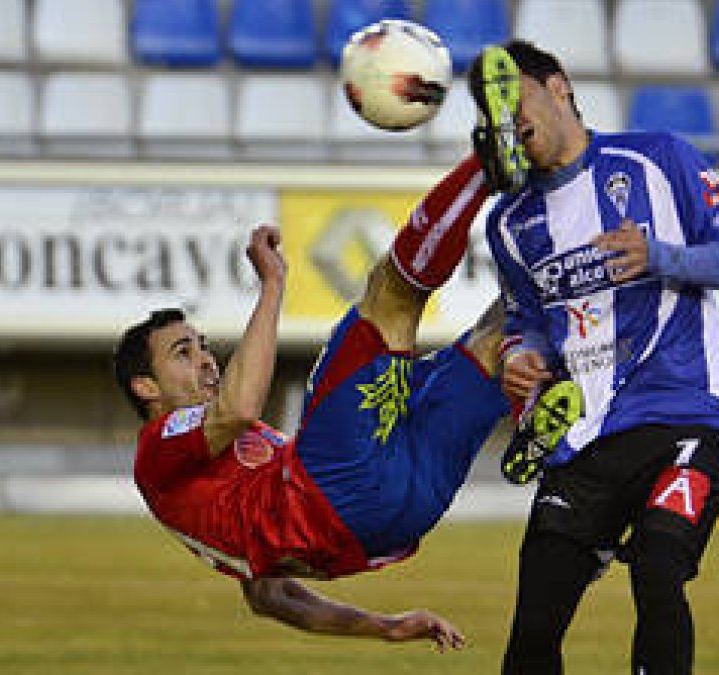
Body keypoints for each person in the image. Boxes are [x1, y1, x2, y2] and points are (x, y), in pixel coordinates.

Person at [115, 154, 519, 649]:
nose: (206, 361)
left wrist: (386, 627)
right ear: (146, 388)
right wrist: (273, 284)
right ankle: (488, 162)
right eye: (184, 352)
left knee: (498, 341)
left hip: (400, 517)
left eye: (202, 345)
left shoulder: (214, 500)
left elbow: (271, 597)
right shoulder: (158, 449)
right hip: (337, 487)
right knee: (390, 298)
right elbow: (239, 409)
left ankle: (591, 288)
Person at [467, 40, 719, 674]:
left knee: (658, 569)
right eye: (491, 112)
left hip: (685, 417)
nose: (507, 119)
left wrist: (660, 255)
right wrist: (520, 355)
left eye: (512, 97)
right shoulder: (508, 223)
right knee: (534, 627)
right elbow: (527, 320)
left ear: (559, 87)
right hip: (583, 437)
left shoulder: (657, 158)